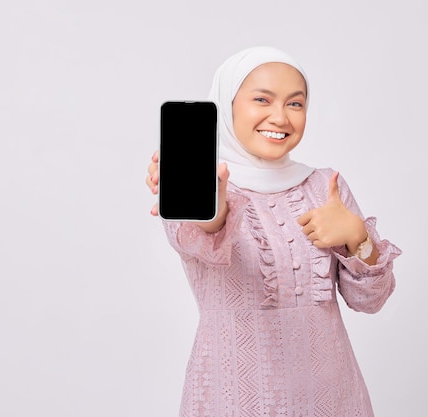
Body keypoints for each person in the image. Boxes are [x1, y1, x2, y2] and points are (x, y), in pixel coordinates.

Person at [145, 46, 401, 417]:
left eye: (295, 104)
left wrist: (357, 237)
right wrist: (213, 207)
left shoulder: (323, 187)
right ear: (228, 106)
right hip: (232, 396)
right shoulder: (200, 183)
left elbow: (370, 301)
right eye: (262, 99)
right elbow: (208, 234)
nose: (280, 117)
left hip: (332, 398)